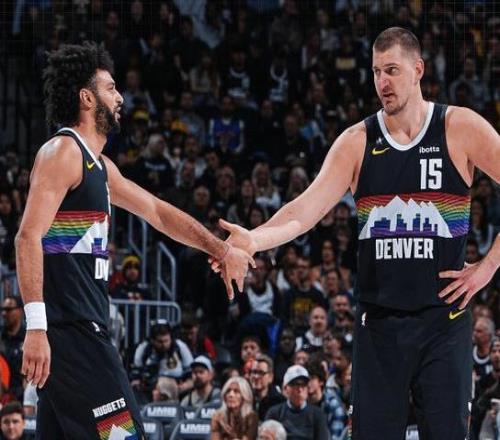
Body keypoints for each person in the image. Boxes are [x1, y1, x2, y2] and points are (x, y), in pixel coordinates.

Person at [213, 27, 500, 439]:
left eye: (392, 70)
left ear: (418, 70)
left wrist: (489, 267)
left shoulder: (459, 127)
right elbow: (304, 209)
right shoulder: (357, 141)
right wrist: (254, 239)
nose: (382, 82)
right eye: (376, 72)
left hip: (444, 322)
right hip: (379, 325)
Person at [14, 42, 254, 440]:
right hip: (72, 333)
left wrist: (221, 249)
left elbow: (157, 212)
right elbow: (27, 237)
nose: (120, 97)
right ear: (86, 97)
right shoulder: (62, 151)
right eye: (110, 88)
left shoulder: (100, 167)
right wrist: (36, 328)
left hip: (76, 333)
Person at [265, 365, 329, 439]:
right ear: (285, 388)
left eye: (304, 385)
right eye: (295, 384)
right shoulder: (274, 413)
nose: (300, 389)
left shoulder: (318, 415)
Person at [249, 354, 285, 421]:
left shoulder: (279, 402)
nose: (256, 377)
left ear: (270, 377)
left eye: (261, 373)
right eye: (254, 372)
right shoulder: (245, 398)